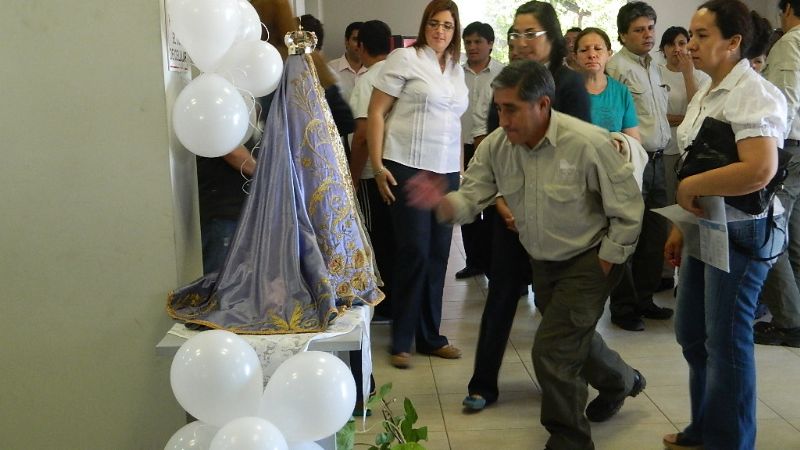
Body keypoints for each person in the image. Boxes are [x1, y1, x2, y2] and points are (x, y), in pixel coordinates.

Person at [408, 60, 646, 450]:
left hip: (589, 258)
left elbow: (628, 209)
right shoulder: (497, 146)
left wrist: (607, 260)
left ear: (543, 105)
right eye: (499, 108)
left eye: (512, 108)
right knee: (574, 339)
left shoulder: (587, 143)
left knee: (552, 351)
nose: (503, 118)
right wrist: (443, 204)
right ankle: (624, 381)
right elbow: (474, 195)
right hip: (542, 260)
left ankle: (568, 439)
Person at [661, 2, 787, 448]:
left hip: (743, 230)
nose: (689, 45)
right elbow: (702, 161)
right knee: (692, 333)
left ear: (733, 43)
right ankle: (708, 426)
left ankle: (729, 440)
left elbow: (759, 170)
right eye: (689, 36)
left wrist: (690, 185)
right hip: (707, 227)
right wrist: (682, 224)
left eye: (700, 36)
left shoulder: (753, 94)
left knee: (727, 342)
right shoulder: (708, 92)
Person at [463, 0, 591, 412]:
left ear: (551, 38)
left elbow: (579, 156)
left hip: (559, 219)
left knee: (560, 307)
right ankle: (483, 383)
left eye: (528, 34)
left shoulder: (569, 85)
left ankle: (601, 378)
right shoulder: (506, 83)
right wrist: (500, 202)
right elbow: (490, 150)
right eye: (514, 33)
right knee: (501, 295)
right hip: (510, 216)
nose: (519, 42)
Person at [366, 0, 468, 369]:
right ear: (425, 26)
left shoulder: (456, 69)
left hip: (444, 173)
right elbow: (377, 112)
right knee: (415, 251)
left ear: (455, 31)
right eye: (434, 24)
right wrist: (377, 166)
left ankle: (431, 337)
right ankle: (402, 339)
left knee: (439, 254)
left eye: (447, 25)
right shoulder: (404, 60)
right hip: (406, 166)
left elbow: (454, 125)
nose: (440, 31)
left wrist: (459, 172)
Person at [606, 1, 673, 332]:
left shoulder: (655, 65)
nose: (647, 35)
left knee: (654, 234)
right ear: (622, 35)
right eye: (639, 30)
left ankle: (644, 299)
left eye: (651, 27)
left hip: (660, 159)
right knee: (626, 234)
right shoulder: (616, 67)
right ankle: (623, 306)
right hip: (631, 162)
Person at [756, 0, 800, 348]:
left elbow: (784, 102)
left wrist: (773, 154)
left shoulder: (790, 42)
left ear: (785, 8)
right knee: (794, 234)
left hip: (790, 149)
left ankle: (788, 320)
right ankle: (794, 314)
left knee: (769, 231)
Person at [348, 20, 395, 324]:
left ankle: (385, 303)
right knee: (393, 236)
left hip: (370, 173)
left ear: (360, 46)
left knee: (376, 238)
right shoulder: (398, 74)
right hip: (396, 169)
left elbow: (362, 136)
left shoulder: (367, 81)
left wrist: (350, 177)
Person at [455, 21, 504, 280]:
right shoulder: (454, 72)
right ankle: (474, 261)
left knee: (494, 207)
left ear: (490, 44)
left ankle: (495, 263)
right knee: (469, 206)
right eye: (468, 42)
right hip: (461, 148)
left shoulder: (502, 73)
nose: (472, 47)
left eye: (477, 42)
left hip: (494, 148)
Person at [573, 27, 640, 140]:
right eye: (584, 50)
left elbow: (634, 141)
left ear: (609, 54)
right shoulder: (564, 90)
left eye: (598, 48)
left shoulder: (621, 92)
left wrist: (620, 146)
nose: (592, 55)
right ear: (575, 57)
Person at [328, 21, 368, 101]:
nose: (359, 45)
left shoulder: (374, 70)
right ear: (346, 41)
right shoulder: (330, 69)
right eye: (356, 40)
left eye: (363, 40)